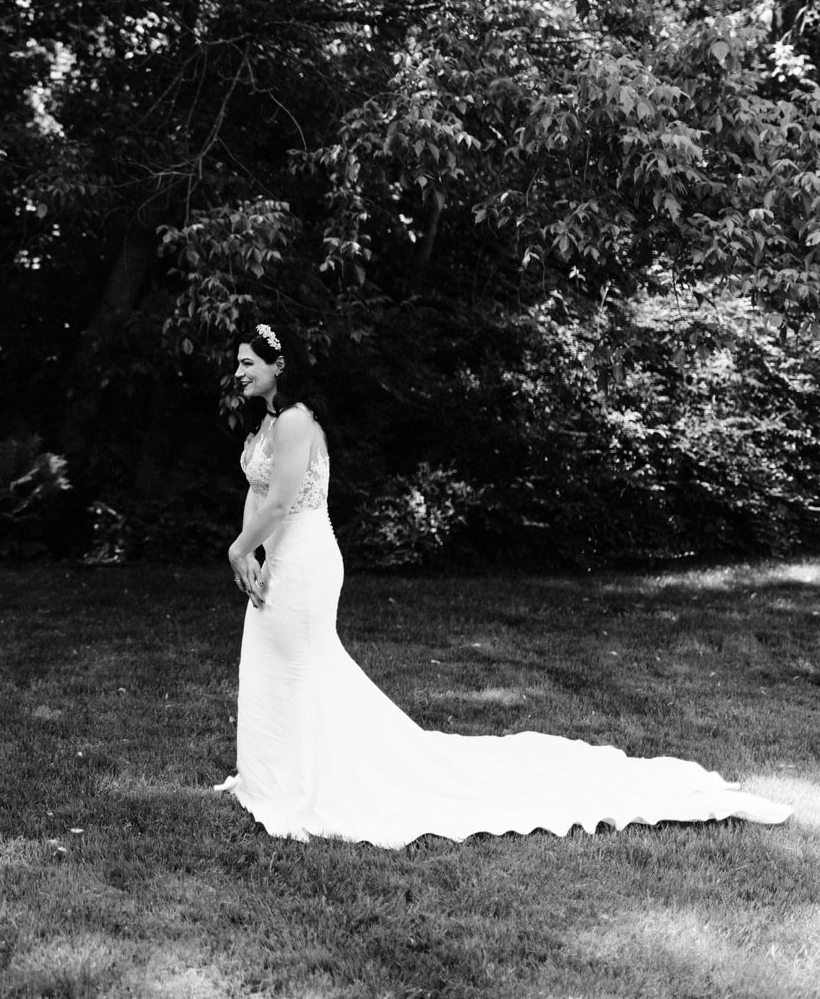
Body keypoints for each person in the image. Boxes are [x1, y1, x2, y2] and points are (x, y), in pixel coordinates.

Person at [214, 320, 789, 847]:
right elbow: (259, 493)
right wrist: (250, 552)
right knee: (271, 660)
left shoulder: (294, 421)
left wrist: (241, 547)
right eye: (238, 363)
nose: (239, 372)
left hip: (307, 562)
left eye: (248, 362)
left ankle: (317, 781)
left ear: (279, 365)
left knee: (304, 664)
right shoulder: (266, 423)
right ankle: (271, 776)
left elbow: (286, 499)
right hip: (277, 557)